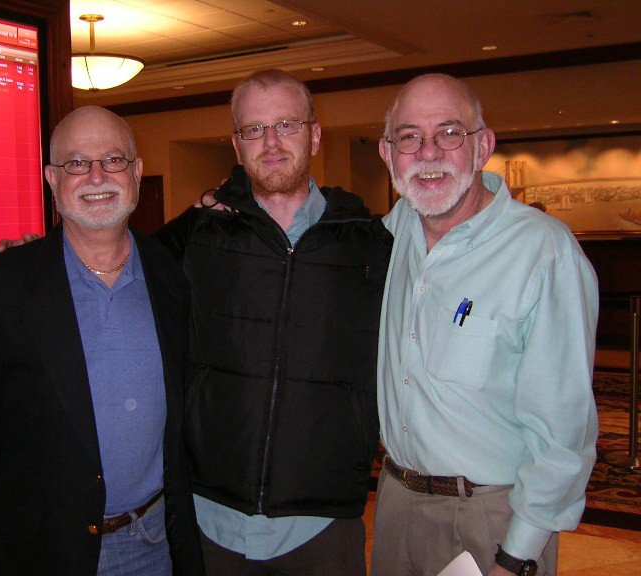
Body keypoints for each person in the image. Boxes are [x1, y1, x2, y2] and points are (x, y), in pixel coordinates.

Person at [0, 107, 204, 576]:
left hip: (158, 543)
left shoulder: (172, 275)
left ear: (137, 174)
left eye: (114, 160)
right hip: (43, 553)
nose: (97, 175)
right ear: (52, 181)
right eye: (77, 163)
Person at [155, 69, 393, 574]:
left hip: (321, 524)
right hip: (209, 518)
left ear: (314, 133)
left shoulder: (371, 244)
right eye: (253, 130)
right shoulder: (195, 236)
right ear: (236, 147)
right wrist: (34, 257)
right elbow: (112, 264)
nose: (271, 142)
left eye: (286, 124)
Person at [371, 74, 599, 576]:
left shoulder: (542, 251)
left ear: (483, 147)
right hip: (393, 505)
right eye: (409, 137)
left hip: (490, 518)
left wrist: (517, 555)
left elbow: (563, 428)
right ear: (388, 154)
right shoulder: (391, 235)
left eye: (450, 133)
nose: (428, 153)